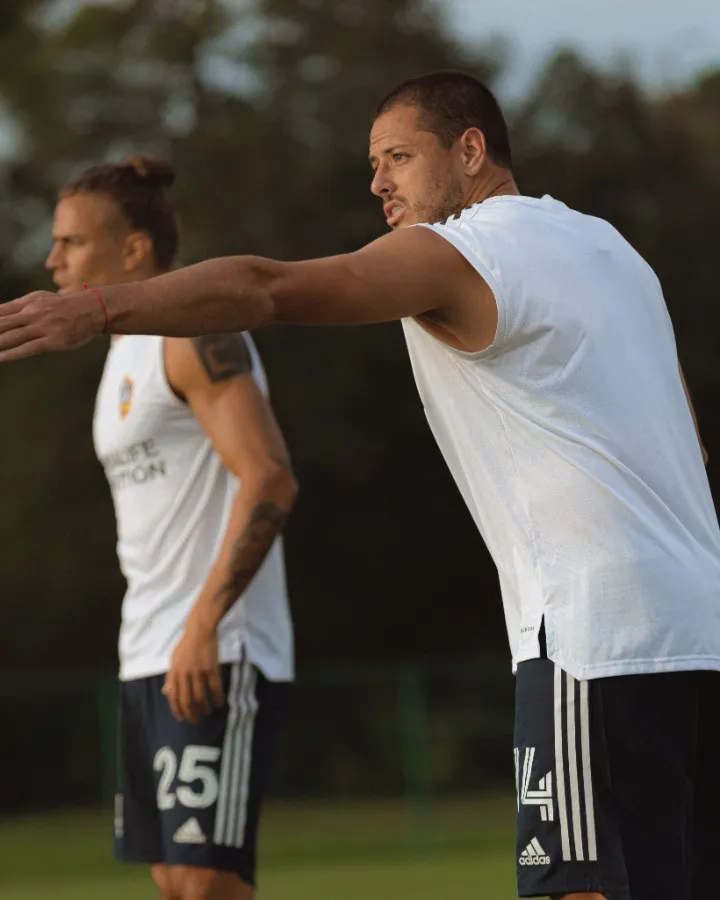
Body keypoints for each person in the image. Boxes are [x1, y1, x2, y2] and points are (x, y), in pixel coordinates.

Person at [3, 71, 719, 900]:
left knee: (578, 888)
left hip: (597, 639)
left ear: (472, 150)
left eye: (399, 157)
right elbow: (690, 447)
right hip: (700, 626)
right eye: (374, 163)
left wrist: (98, 309)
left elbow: (269, 289)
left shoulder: (467, 250)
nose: (378, 182)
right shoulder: (615, 253)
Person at [44, 156, 297, 900]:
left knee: (203, 882)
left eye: (71, 242)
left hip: (213, 646)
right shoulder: (120, 353)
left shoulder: (195, 333)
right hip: (145, 650)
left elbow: (270, 475)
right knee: (173, 880)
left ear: (133, 251)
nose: (53, 258)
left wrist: (204, 625)